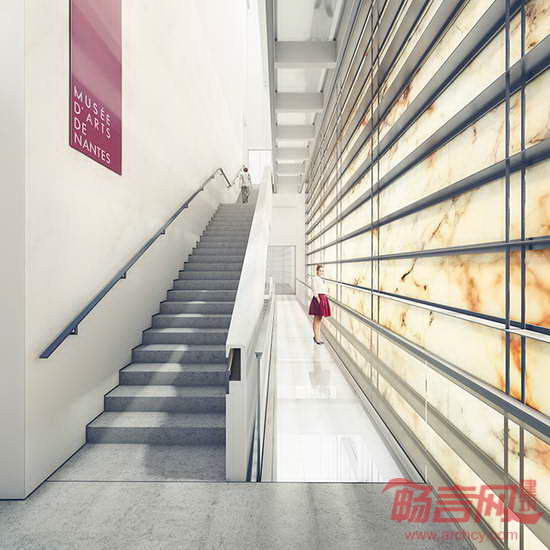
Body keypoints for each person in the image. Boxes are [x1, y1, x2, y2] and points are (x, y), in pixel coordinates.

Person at [308, 264, 331, 344]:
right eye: (320, 270)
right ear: (317, 271)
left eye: (322, 271)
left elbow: (325, 289)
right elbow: (314, 289)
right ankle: (316, 337)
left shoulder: (322, 279)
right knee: (317, 319)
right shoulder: (315, 278)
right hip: (319, 299)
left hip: (323, 298)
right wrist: (318, 299)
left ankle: (317, 337)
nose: (321, 272)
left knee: (319, 319)